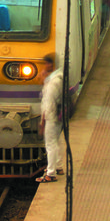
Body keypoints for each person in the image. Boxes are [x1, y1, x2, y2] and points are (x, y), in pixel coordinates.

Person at [38, 53, 68, 183]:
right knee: (56, 141)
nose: (44, 66)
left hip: (52, 116)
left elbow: (49, 103)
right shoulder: (59, 77)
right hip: (59, 114)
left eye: (46, 63)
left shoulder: (52, 83)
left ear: (51, 64)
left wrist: (43, 121)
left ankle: (51, 173)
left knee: (50, 144)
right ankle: (59, 166)